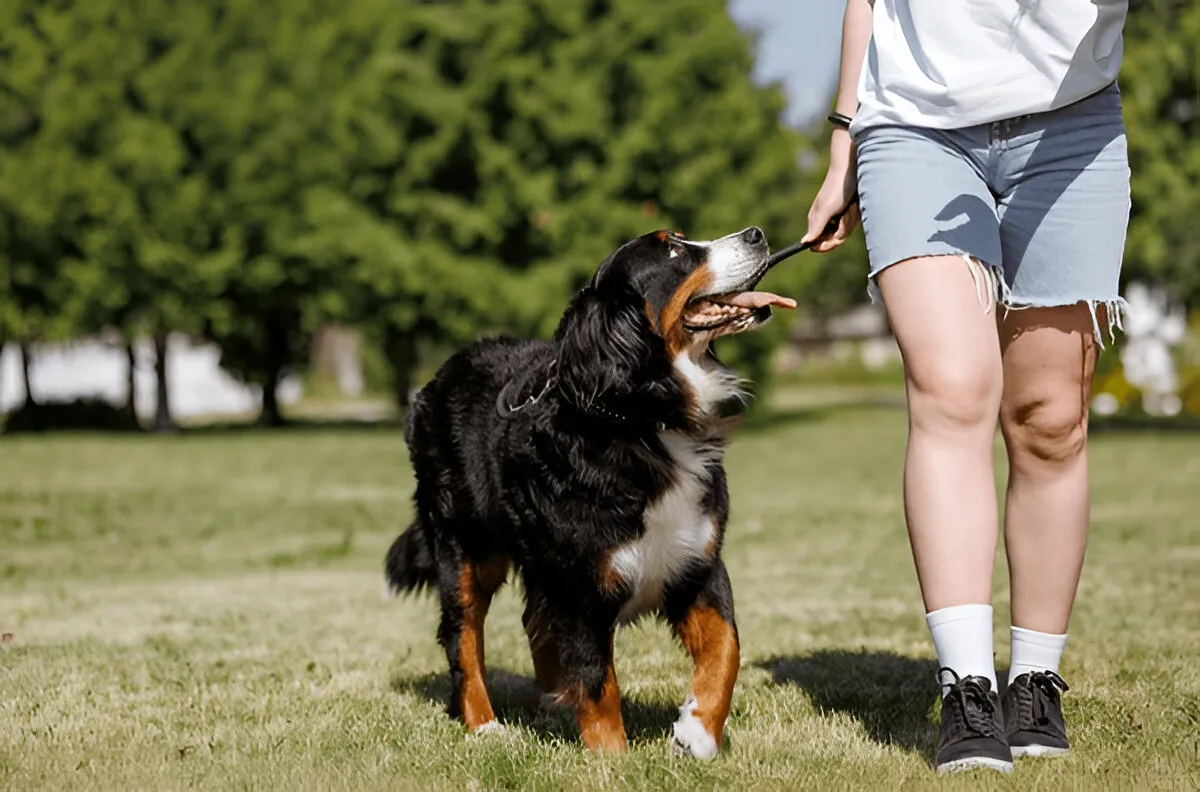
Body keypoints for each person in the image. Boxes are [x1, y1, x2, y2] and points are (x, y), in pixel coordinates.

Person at [802, 0, 1131, 775]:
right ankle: (967, 689)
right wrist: (843, 142)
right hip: (915, 127)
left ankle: (1035, 683)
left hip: (1072, 127)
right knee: (952, 387)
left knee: (1051, 417)